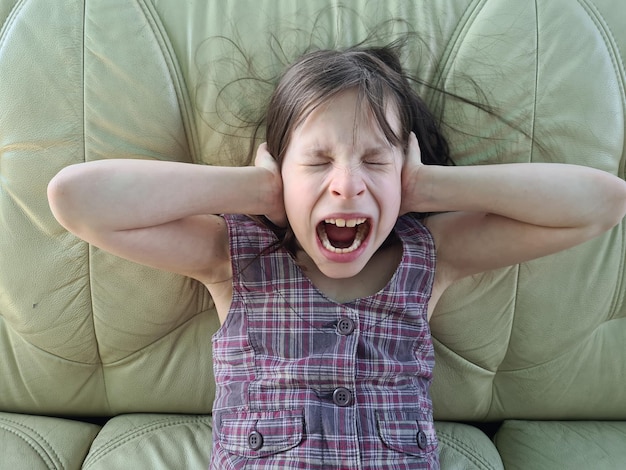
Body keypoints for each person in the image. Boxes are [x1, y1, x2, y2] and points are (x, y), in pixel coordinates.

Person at [47, 44, 626, 469]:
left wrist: (428, 188)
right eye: (318, 162)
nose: (347, 185)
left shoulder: (431, 256)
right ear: (278, 168)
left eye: (376, 161)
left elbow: (601, 204)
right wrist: (253, 191)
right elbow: (75, 198)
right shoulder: (233, 258)